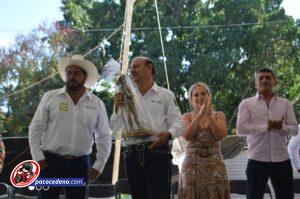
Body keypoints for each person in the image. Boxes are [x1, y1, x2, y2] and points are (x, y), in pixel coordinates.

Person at [29, 55, 112, 199]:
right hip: (49, 163)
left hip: (80, 165)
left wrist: (99, 164)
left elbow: (104, 136)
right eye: (69, 73)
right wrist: (38, 157)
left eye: (77, 73)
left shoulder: (97, 104)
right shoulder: (50, 97)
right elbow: (36, 128)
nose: (72, 76)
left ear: (85, 78)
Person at [111, 56, 183, 199]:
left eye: (136, 66)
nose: (132, 70)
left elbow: (178, 123)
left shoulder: (165, 95)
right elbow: (115, 129)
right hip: (131, 154)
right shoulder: (124, 96)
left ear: (149, 68)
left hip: (157, 151)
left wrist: (168, 135)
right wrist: (117, 109)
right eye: (131, 68)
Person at [236, 68, 298, 199]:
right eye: (260, 78)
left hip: (282, 160)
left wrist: (281, 128)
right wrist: (266, 127)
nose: (264, 80)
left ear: (275, 82)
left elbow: (294, 130)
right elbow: (240, 130)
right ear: (255, 83)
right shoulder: (246, 104)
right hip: (256, 160)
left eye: (268, 77)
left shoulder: (285, 103)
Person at [178, 82, 230, 199]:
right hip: (192, 166)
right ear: (191, 100)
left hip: (215, 164)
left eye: (203, 94)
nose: (200, 97)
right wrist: (199, 115)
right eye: (196, 95)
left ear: (209, 96)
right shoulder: (186, 117)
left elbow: (221, 135)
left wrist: (208, 115)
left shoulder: (219, 115)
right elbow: (187, 136)